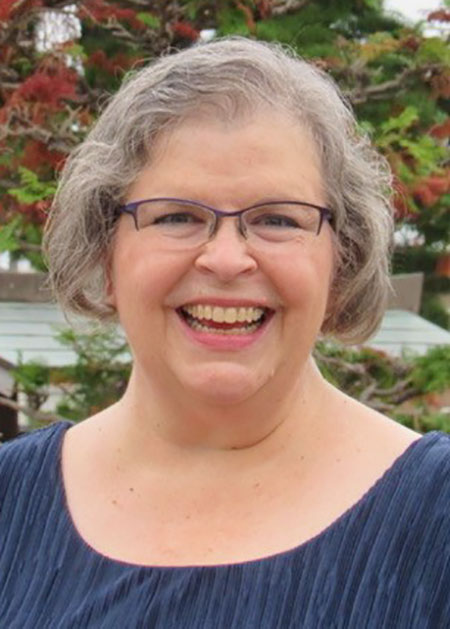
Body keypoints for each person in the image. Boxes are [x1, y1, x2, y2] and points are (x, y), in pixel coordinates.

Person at [1, 37, 449, 628]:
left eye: (277, 219)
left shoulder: (438, 516)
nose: (227, 259)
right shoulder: (9, 502)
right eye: (177, 216)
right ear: (104, 254)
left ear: (342, 261)